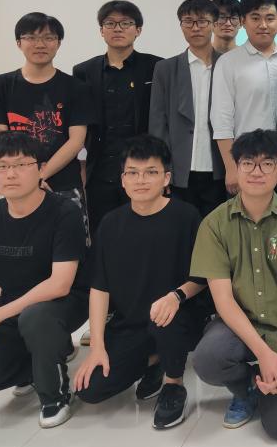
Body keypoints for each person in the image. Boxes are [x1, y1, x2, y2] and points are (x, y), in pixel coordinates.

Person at [0, 132, 87, 428]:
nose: (10, 174)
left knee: (36, 318)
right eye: (1, 166)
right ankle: (36, 362)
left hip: (65, 303)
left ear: (41, 169)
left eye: (21, 164)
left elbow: (60, 284)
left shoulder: (64, 211)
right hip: (15, 308)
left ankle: (55, 394)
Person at [74, 136, 210, 430]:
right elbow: (99, 287)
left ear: (166, 178)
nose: (141, 180)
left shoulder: (186, 216)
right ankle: (154, 360)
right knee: (90, 389)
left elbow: (203, 276)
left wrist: (176, 296)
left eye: (151, 172)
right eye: (133, 173)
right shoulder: (110, 224)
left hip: (177, 315)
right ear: (123, 179)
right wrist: (97, 346)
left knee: (167, 322)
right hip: (131, 323)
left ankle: (173, 383)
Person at [190, 129, 277, 440]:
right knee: (207, 358)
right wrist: (263, 353)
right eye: (248, 163)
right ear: (236, 167)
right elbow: (223, 300)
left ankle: (272, 375)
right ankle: (245, 388)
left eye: (267, 163)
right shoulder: (214, 224)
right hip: (239, 327)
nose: (257, 172)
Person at [0, 12, 92, 228]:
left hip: (64, 184)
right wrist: (28, 178)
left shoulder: (76, 88)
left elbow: (76, 141)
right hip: (15, 184)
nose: (40, 44)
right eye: (31, 37)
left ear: (58, 43)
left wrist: (40, 175)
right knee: (15, 243)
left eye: (48, 37)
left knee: (71, 244)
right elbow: (1, 138)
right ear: (19, 42)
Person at [73, 0, 162, 237]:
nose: (118, 29)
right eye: (110, 23)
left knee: (145, 233)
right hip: (101, 168)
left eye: (126, 23)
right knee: (103, 233)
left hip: (143, 166)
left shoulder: (157, 67)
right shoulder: (84, 71)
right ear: (101, 30)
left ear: (138, 30)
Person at [210, 0, 277, 196]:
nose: (263, 25)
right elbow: (221, 119)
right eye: (255, 18)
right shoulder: (228, 62)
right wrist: (232, 169)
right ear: (243, 21)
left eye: (270, 18)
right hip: (247, 164)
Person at [149, 0, 225, 218]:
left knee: (216, 230)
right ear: (181, 25)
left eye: (202, 21)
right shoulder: (165, 68)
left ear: (214, 24)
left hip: (219, 169)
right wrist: (161, 169)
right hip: (180, 171)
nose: (195, 28)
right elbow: (158, 124)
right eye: (188, 21)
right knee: (181, 228)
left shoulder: (228, 64)